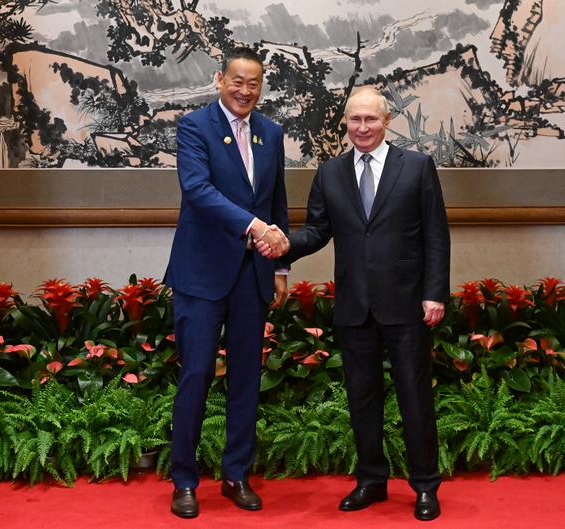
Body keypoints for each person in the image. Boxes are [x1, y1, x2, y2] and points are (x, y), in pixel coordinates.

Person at [263, 86, 449, 521]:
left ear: (386, 121)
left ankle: (424, 485)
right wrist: (283, 243)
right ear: (344, 123)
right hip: (354, 306)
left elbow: (436, 235)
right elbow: (316, 231)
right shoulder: (329, 173)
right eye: (354, 120)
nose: (362, 128)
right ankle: (371, 480)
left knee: (414, 398)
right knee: (362, 398)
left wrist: (435, 292)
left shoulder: (417, 167)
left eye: (370, 119)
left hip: (407, 305)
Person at [164, 46, 290, 519]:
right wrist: (255, 228)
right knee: (196, 375)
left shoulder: (271, 133)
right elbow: (197, 191)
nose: (245, 90)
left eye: (254, 83)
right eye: (237, 81)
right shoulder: (195, 127)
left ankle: (236, 475)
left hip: (253, 277)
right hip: (202, 275)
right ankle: (184, 480)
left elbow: (276, 200)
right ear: (220, 80)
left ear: (261, 86)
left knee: (245, 380)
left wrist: (280, 267)